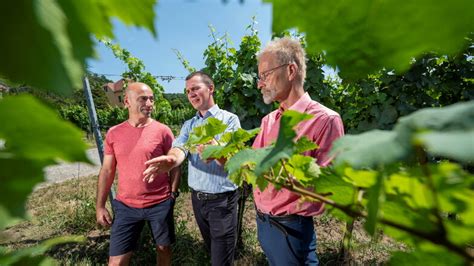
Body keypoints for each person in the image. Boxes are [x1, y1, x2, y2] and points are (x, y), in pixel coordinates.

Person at [253, 37, 345, 265]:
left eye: (265, 75)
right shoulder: (268, 121)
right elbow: (253, 166)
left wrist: (292, 177)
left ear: (291, 70)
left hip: (292, 229)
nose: (259, 84)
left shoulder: (325, 120)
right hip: (264, 223)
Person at [143, 71, 241, 266]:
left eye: (195, 88)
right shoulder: (190, 124)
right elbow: (180, 148)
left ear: (211, 88)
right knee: (212, 250)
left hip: (222, 202)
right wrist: (171, 160)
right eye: (188, 91)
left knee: (220, 260)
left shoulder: (230, 120)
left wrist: (214, 150)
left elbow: (233, 160)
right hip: (198, 201)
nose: (191, 94)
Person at [96, 82, 180, 266]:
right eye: (143, 98)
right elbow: (107, 170)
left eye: (151, 99)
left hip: (160, 203)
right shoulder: (114, 133)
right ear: (127, 102)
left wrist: (172, 194)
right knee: (116, 261)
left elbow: (174, 165)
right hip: (126, 206)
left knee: (164, 250)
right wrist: (100, 206)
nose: (149, 103)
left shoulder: (163, 131)